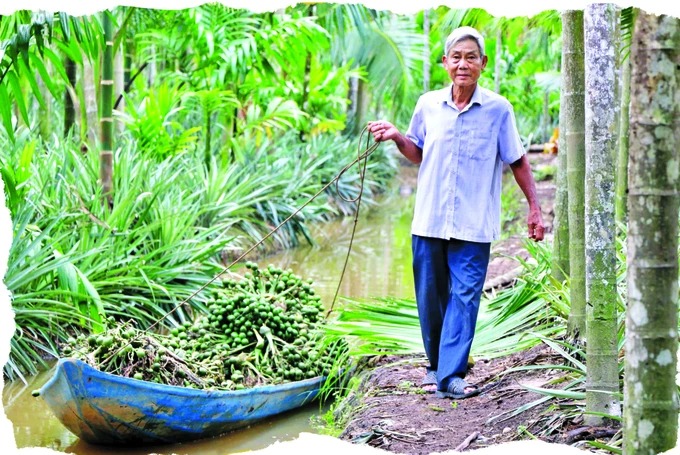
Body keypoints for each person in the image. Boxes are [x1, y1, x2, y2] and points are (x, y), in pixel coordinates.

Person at [367, 26, 545, 399]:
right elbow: (417, 151)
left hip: (473, 223)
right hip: (430, 219)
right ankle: (436, 367)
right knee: (431, 298)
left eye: (471, 57)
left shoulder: (498, 109)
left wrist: (534, 208)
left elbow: (517, 160)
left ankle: (450, 377)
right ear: (445, 63)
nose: (463, 64)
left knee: (465, 297)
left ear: (483, 64)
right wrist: (398, 136)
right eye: (456, 57)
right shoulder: (428, 104)